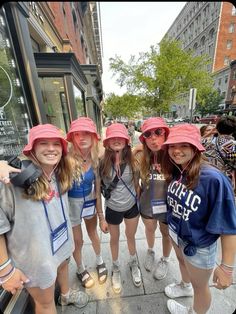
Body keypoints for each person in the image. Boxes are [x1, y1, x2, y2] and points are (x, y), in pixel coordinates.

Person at [0, 124, 89, 314]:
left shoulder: (61, 172)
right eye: (43, 143)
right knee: (46, 304)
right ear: (31, 148)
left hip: (61, 245)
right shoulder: (11, 181)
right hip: (36, 260)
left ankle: (65, 295)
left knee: (64, 267)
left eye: (56, 144)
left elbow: (92, 152)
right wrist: (5, 271)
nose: (51, 148)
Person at [160, 123, 236, 314]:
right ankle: (184, 286)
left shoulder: (214, 179)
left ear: (195, 147)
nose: (176, 151)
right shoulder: (177, 171)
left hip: (199, 247)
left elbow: (228, 226)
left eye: (184, 145)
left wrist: (226, 267)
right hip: (178, 235)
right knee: (182, 264)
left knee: (200, 287)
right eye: (172, 145)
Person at [66, 117, 108, 288]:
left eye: (86, 134)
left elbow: (97, 191)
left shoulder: (96, 159)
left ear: (93, 137)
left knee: (93, 234)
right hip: (72, 205)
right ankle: (81, 268)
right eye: (77, 134)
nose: (82, 138)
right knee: (78, 241)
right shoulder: (65, 159)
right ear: (73, 138)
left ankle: (100, 261)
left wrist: (101, 216)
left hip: (90, 202)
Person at [99, 123, 141, 293]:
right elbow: (96, 190)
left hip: (131, 207)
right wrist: (101, 217)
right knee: (114, 239)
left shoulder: (134, 160)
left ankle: (133, 263)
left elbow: (137, 184)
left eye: (120, 137)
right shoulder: (101, 162)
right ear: (107, 142)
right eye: (112, 138)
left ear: (126, 140)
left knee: (130, 236)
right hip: (112, 208)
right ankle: (115, 267)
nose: (116, 140)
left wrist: (138, 202)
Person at [134, 117, 172, 280]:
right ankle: (150, 250)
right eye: (148, 134)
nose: (153, 137)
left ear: (166, 134)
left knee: (166, 234)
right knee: (150, 229)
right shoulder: (142, 156)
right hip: (148, 204)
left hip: (168, 206)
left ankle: (165, 259)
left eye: (158, 132)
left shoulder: (173, 154)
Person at [202, 116, 236, 191]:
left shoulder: (207, 141)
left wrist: (210, 133)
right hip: (225, 181)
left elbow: (196, 142)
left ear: (217, 128)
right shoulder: (234, 145)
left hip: (206, 177)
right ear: (233, 130)